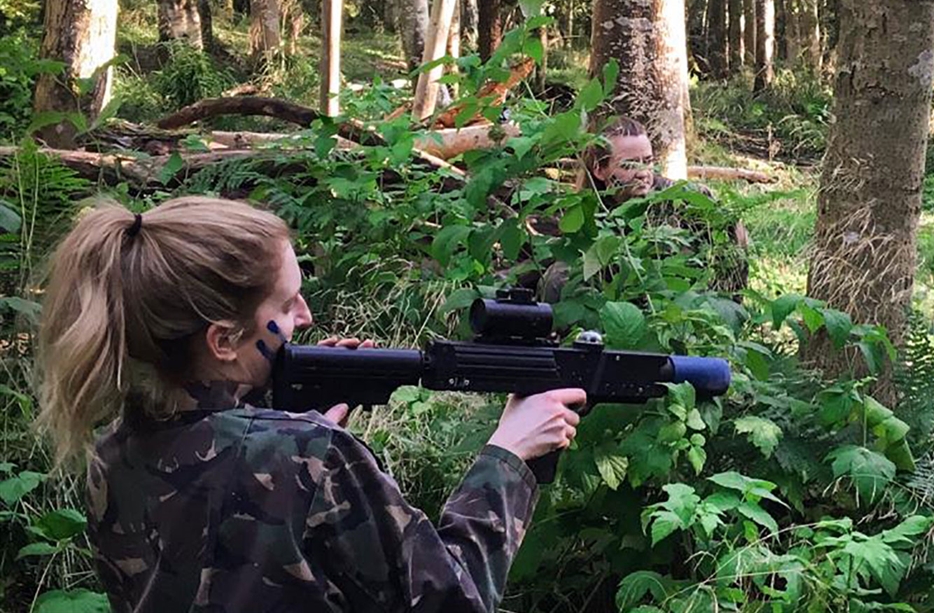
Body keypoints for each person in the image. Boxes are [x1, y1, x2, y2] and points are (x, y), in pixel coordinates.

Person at [36, 196, 584, 613]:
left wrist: (281, 414)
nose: (305, 315)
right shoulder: (310, 455)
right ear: (223, 341)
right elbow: (454, 600)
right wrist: (508, 456)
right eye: (285, 303)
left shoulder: (113, 450)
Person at [533, 116, 749, 302]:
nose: (643, 173)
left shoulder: (686, 199)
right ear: (599, 170)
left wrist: (723, 301)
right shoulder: (583, 212)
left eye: (648, 161)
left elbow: (735, 246)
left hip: (679, 304)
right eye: (629, 165)